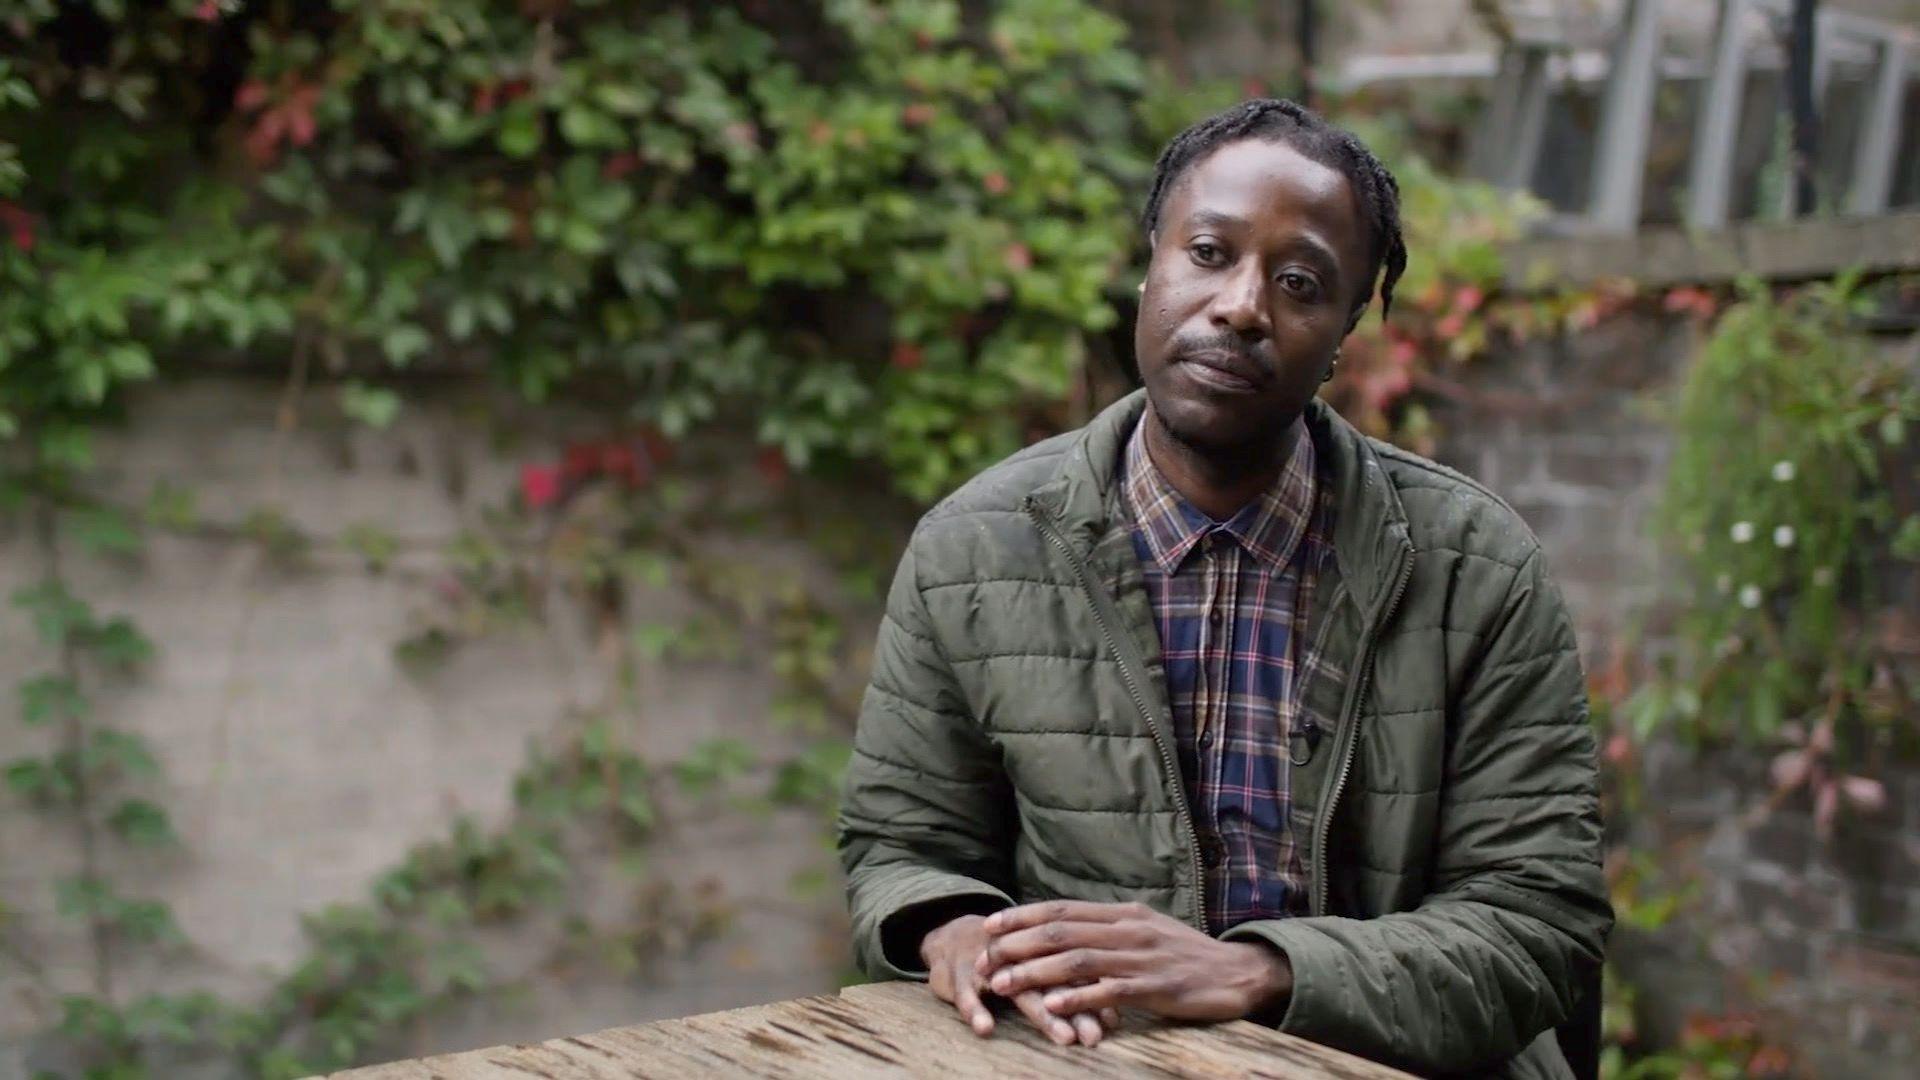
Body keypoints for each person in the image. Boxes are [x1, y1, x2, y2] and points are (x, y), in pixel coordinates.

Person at [836, 98, 1611, 1080]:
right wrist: (956, 931)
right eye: (1208, 252)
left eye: (1299, 282)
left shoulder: (1475, 569)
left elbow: (1538, 922)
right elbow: (902, 847)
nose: (1243, 305)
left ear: (1347, 328)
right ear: (1149, 265)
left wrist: (1256, 975)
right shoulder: (974, 550)